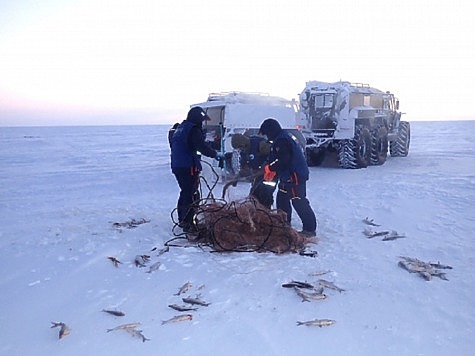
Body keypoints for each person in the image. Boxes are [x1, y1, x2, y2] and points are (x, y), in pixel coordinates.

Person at [258, 118, 317, 237]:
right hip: (286, 177)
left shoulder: (282, 141)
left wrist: (271, 168)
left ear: (271, 131)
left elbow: (283, 160)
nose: (266, 137)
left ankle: (309, 229)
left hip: (294, 176)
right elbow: (276, 158)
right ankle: (284, 224)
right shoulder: (279, 138)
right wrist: (269, 167)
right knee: (282, 199)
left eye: (266, 134)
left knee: (298, 201)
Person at [170, 106, 224, 231]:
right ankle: (188, 223)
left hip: (178, 165)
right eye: (202, 120)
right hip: (187, 166)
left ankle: (184, 220)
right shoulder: (193, 130)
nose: (203, 123)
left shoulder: (181, 128)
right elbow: (201, 147)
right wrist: (215, 154)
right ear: (198, 118)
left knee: (185, 192)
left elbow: (193, 144)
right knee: (191, 193)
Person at [231, 133, 276, 209]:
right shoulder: (244, 152)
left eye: (240, 147)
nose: (240, 149)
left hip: (269, 174)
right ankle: (257, 213)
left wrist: (264, 166)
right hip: (258, 175)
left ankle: (267, 213)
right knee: (253, 195)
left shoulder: (260, 145)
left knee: (265, 194)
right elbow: (244, 167)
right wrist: (237, 177)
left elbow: (273, 156)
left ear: (243, 143)